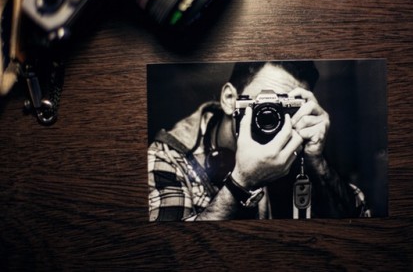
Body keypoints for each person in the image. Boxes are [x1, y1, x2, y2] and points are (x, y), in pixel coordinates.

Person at [148, 61, 370, 221]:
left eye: (285, 107)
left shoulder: (297, 145)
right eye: (263, 105)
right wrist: (241, 184)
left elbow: (360, 221)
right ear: (230, 100)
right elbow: (168, 254)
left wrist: (316, 161)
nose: (271, 117)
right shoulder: (167, 156)